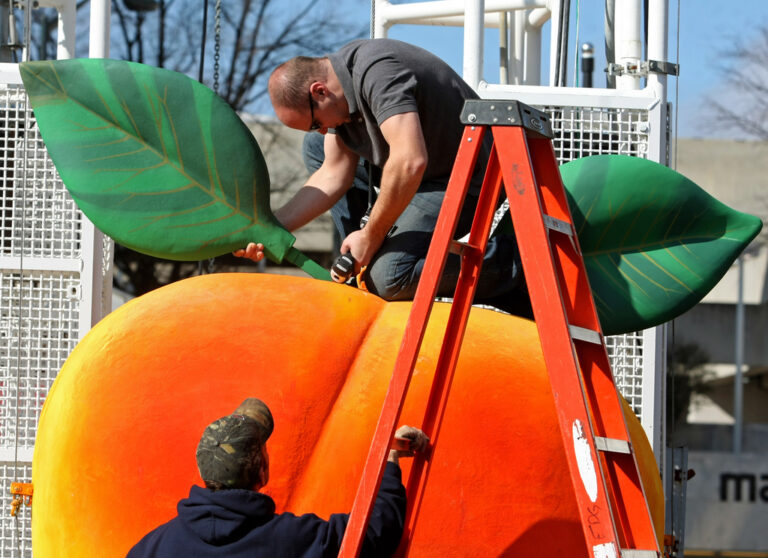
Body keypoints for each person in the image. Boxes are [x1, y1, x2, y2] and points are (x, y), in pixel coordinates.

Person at [236, 38, 530, 316]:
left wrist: (372, 235)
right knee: (316, 147)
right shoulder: (339, 95)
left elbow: (410, 162)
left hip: (467, 177)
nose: (323, 129)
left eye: (316, 123)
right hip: (423, 173)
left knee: (389, 277)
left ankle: (518, 264)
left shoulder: (378, 72)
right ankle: (357, 266)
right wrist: (269, 227)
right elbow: (333, 173)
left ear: (319, 91)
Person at [127, 397, 429, 557]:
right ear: (262, 469)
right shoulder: (293, 539)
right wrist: (390, 458)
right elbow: (376, 533)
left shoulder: (151, 548)